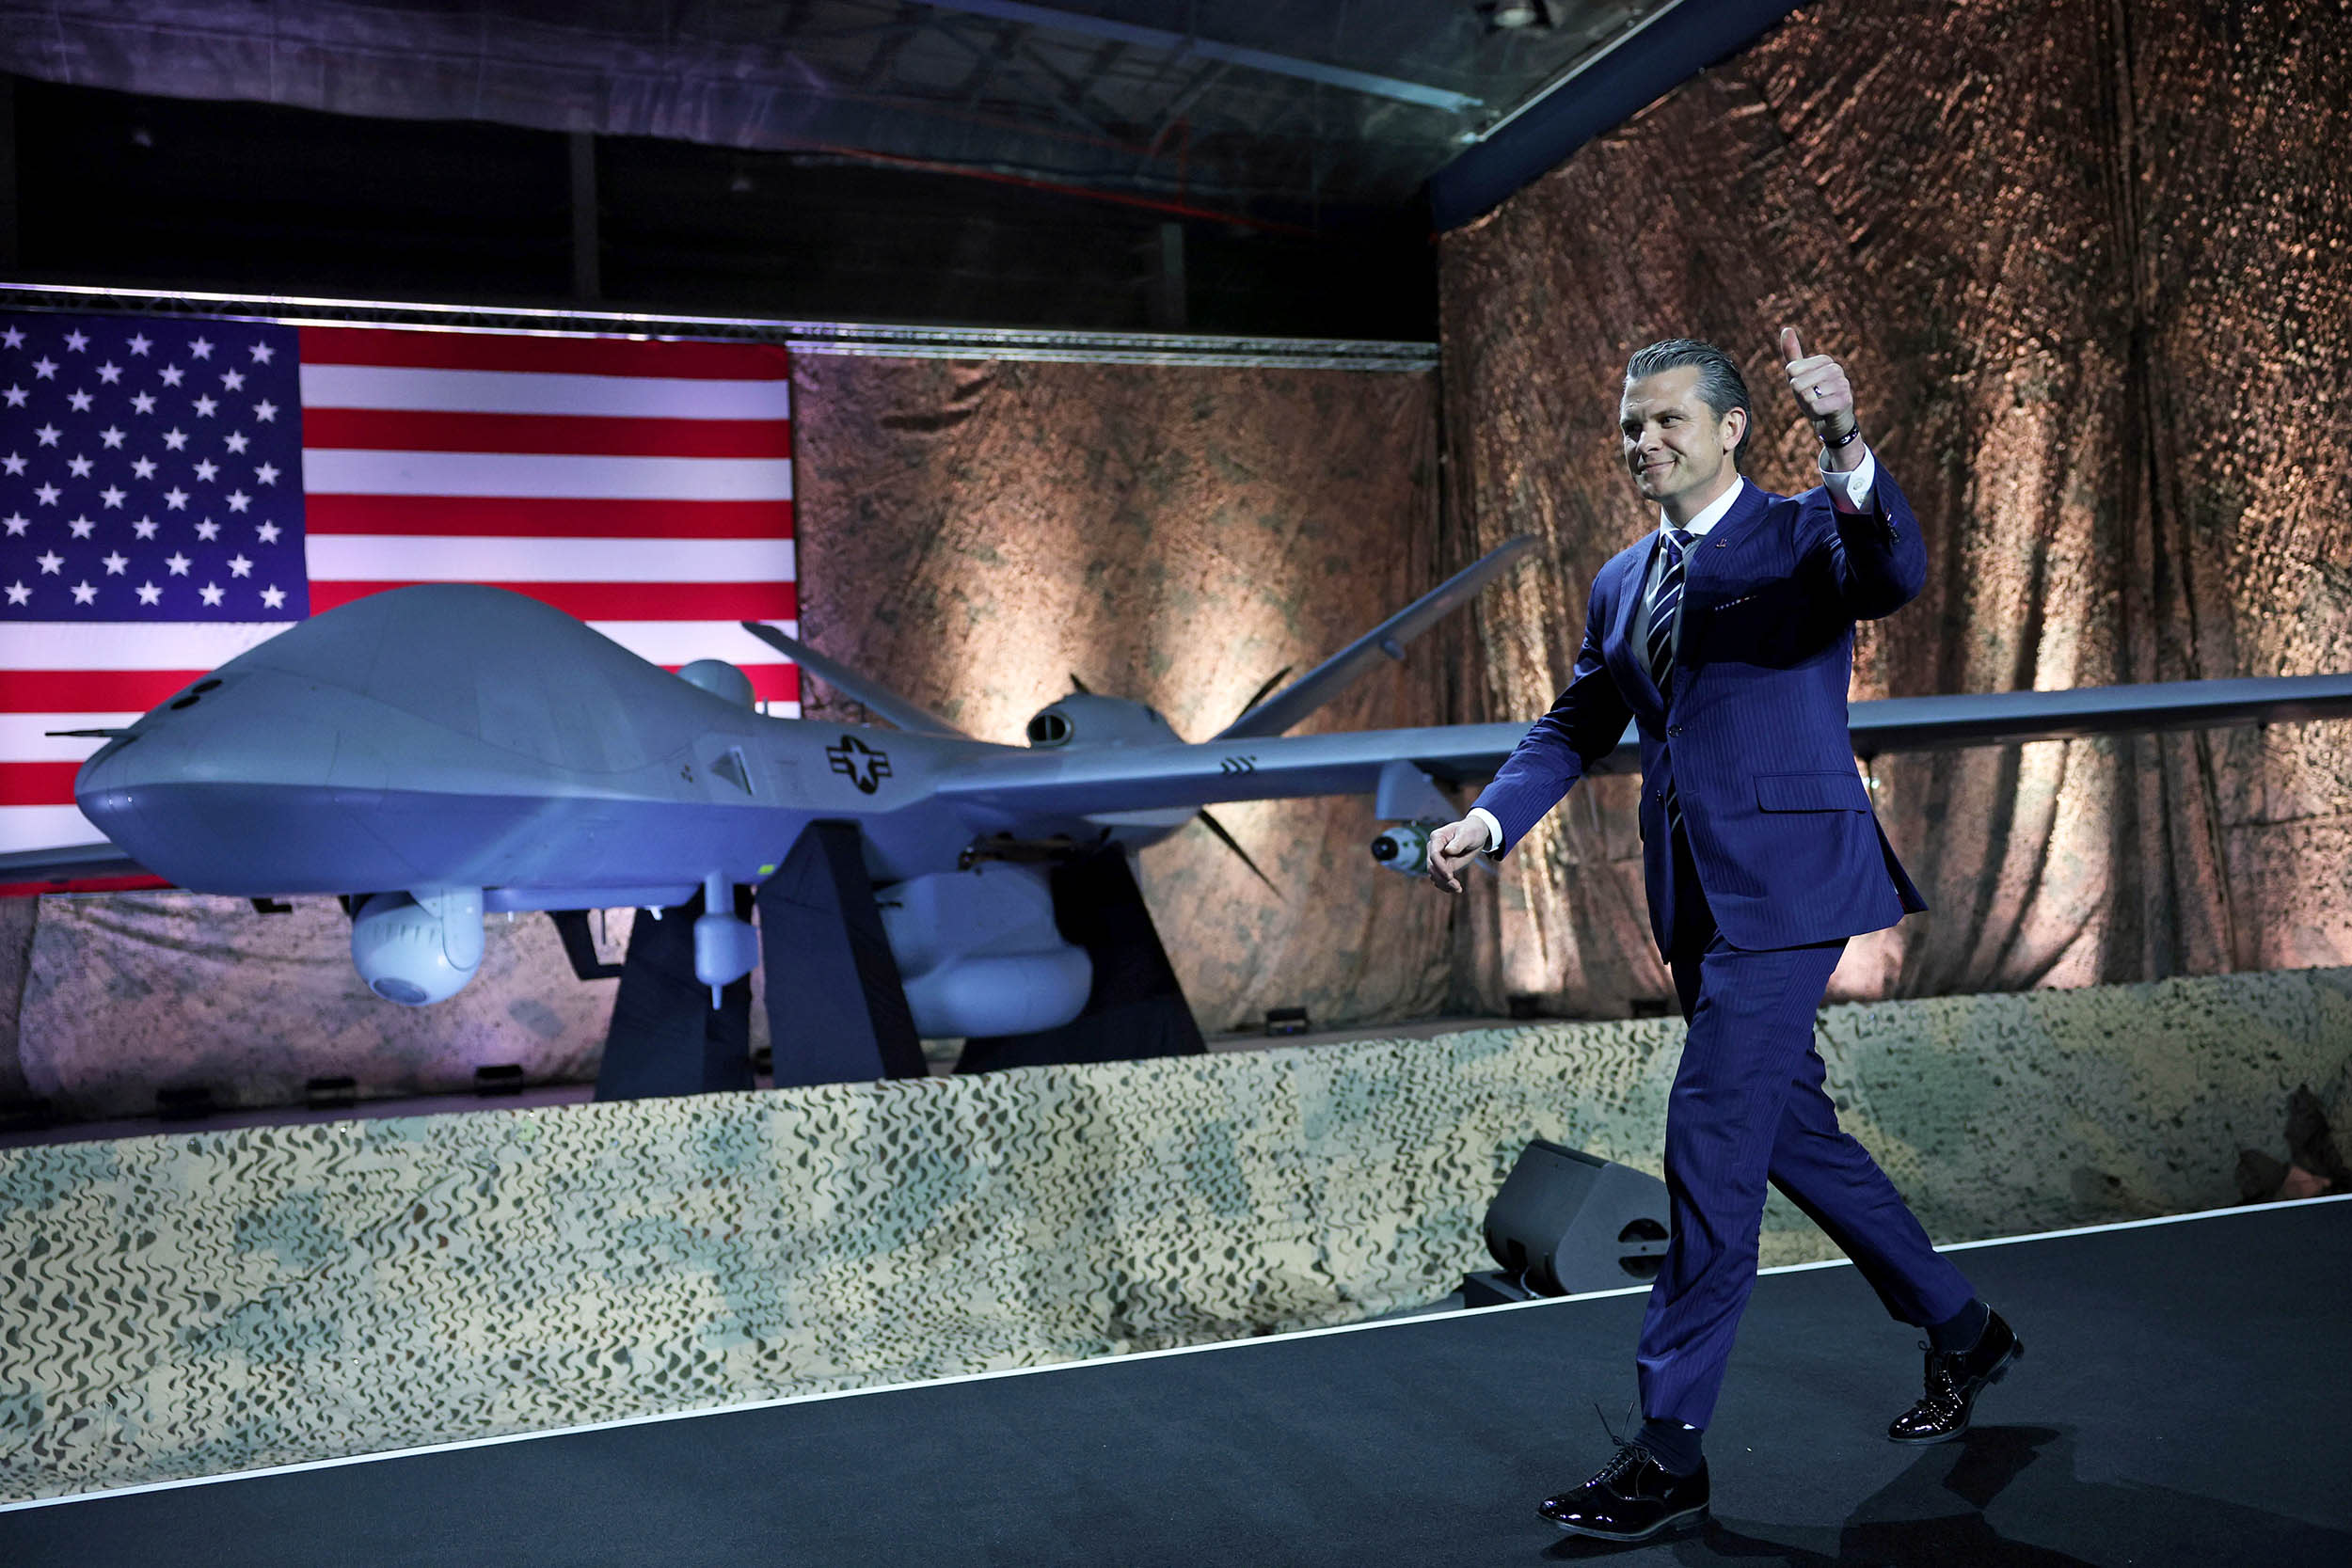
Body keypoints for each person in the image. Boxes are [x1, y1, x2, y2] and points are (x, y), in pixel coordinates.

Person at [1424, 331, 2024, 1543]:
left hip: (1791, 886)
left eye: (1667, 420)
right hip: (1695, 899)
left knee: (1708, 1141)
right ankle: (1967, 1330)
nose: (1644, 441)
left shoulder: (1807, 530)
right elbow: (1579, 718)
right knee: (1790, 1131)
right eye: (1631, 425)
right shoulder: (1618, 578)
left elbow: (1893, 568)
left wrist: (1847, 438)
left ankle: (1670, 1452)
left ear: (1733, 426)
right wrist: (1491, 820)